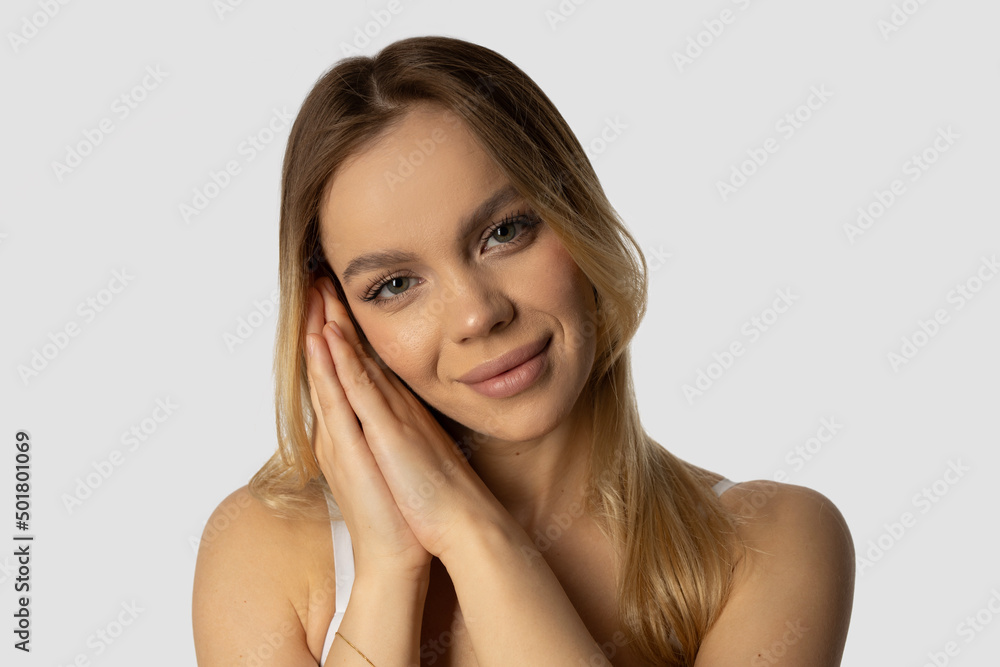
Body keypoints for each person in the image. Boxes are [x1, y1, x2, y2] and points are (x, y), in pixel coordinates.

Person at [192, 36, 855, 666]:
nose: (479, 313)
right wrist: (388, 569)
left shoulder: (769, 544)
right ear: (336, 319)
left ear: (578, 215)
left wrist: (468, 529)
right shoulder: (262, 549)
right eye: (395, 285)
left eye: (505, 232)